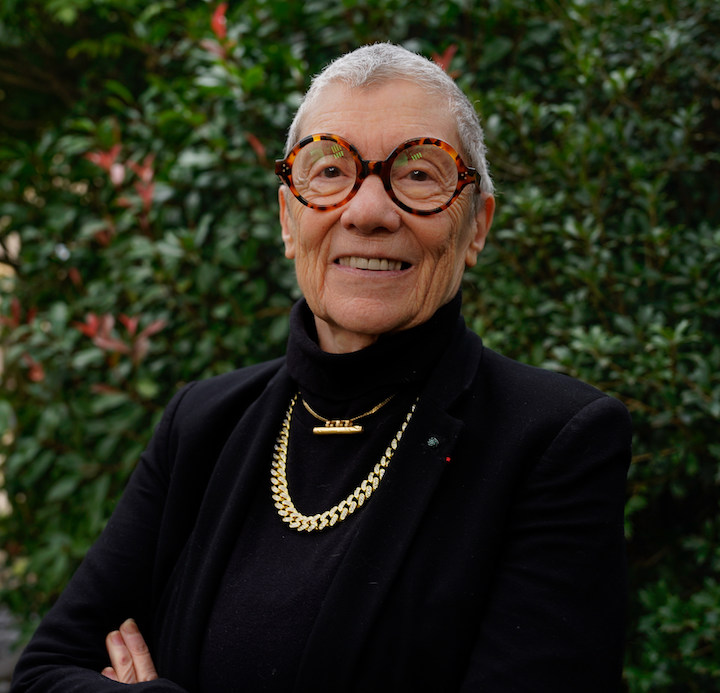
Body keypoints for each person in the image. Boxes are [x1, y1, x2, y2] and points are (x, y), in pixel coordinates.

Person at [11, 43, 632, 692]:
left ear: (477, 226)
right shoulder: (203, 424)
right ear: (289, 218)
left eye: (420, 174)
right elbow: (43, 674)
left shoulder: (554, 442)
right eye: (331, 170)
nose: (368, 212)